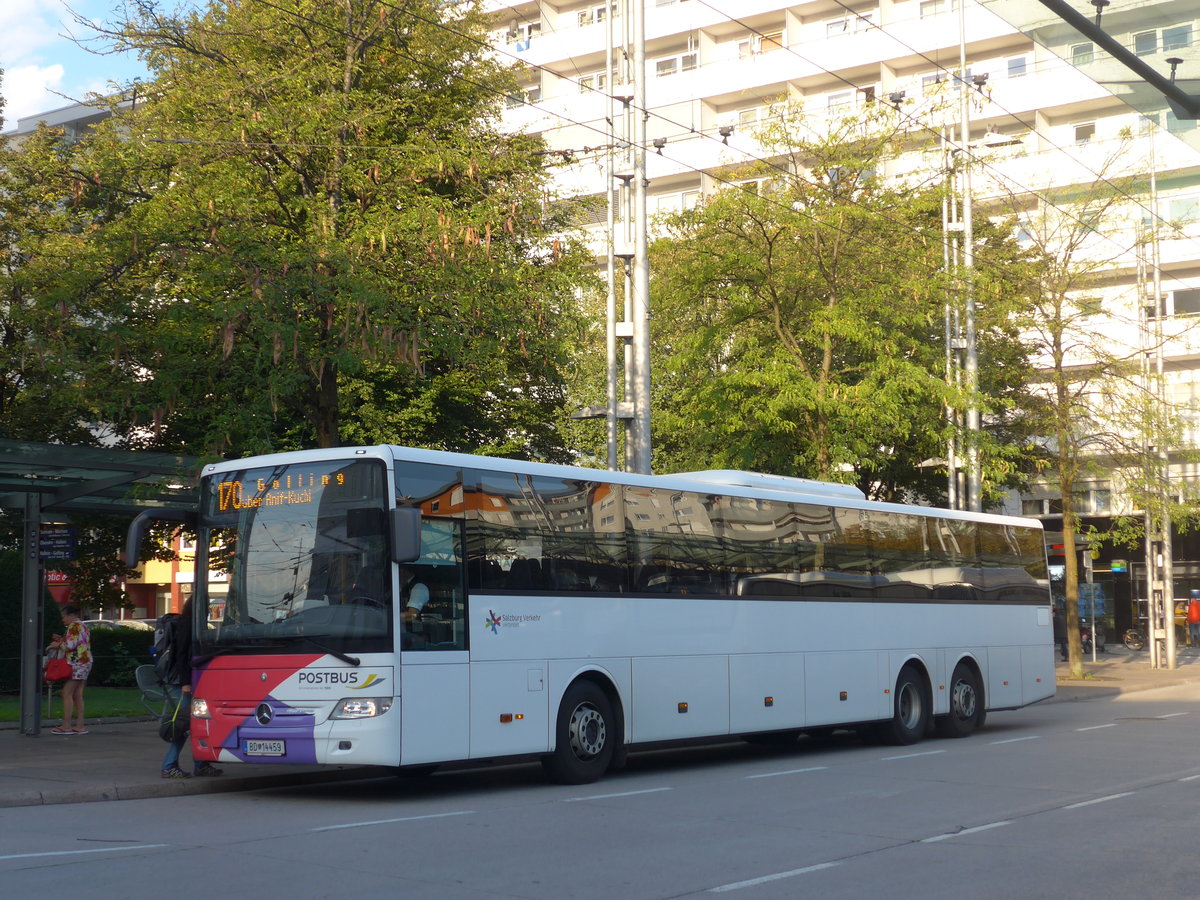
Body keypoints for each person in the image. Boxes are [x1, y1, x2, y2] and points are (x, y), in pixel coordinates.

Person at [160, 599, 223, 779]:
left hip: (187, 681)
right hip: (184, 683)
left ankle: (201, 763)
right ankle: (169, 765)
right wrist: (185, 683)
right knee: (183, 724)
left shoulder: (187, 624)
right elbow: (181, 655)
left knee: (194, 723)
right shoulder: (187, 625)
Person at [49, 605, 92, 734]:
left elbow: (70, 645)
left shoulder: (74, 626)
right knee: (77, 694)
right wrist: (62, 640)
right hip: (85, 661)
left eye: (64, 616)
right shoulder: (83, 626)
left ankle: (66, 725)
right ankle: (80, 725)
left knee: (66, 693)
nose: (63, 619)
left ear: (71, 615)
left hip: (77, 663)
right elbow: (78, 642)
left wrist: (57, 644)